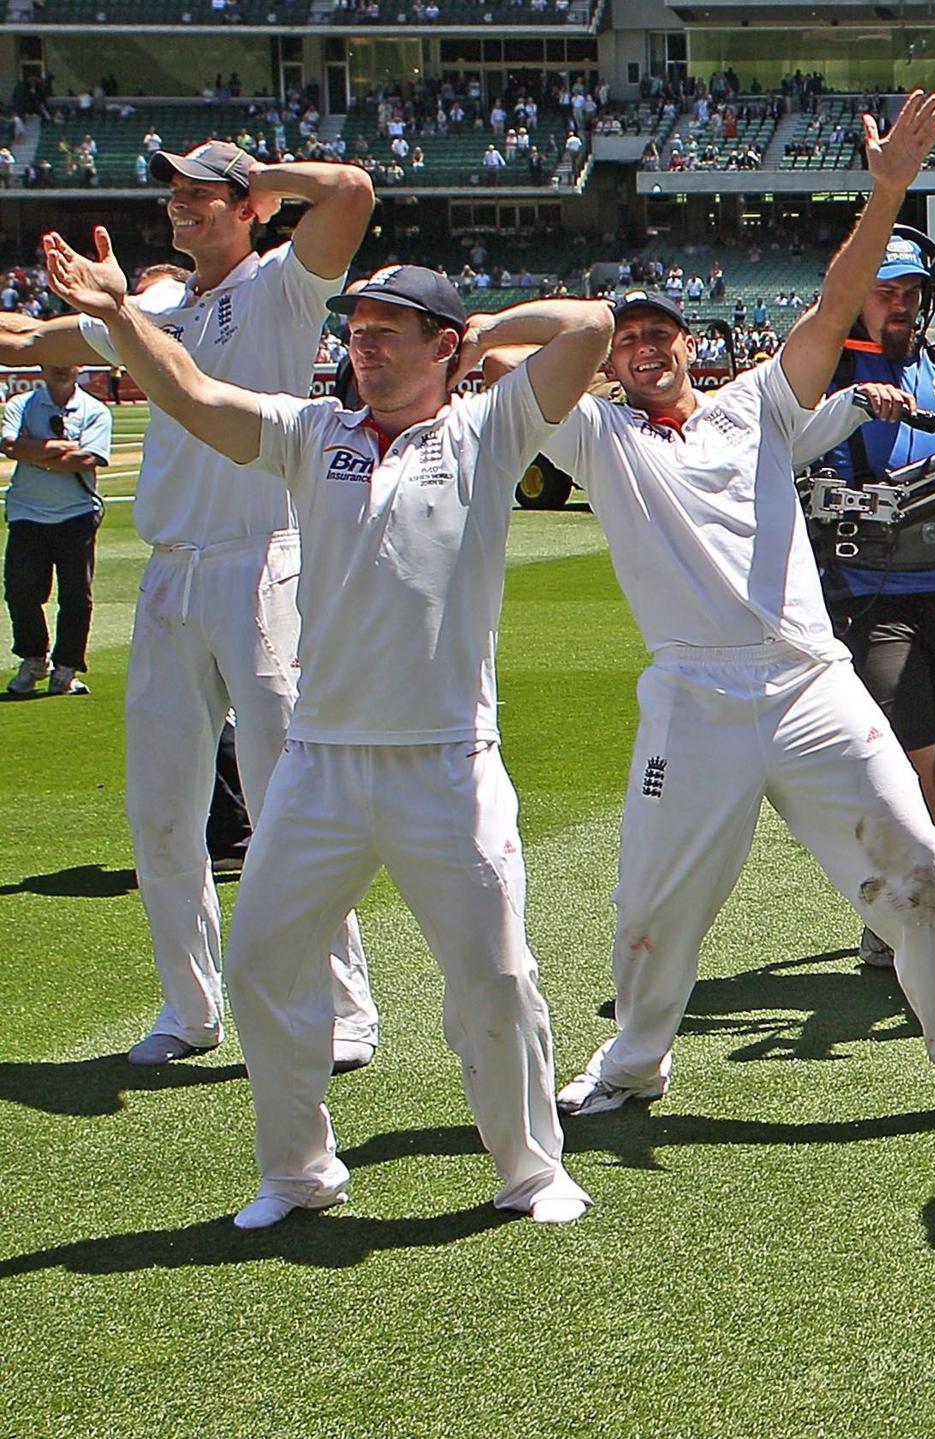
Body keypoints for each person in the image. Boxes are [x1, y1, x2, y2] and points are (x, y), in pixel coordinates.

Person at [45, 238, 614, 1230]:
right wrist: (125, 319)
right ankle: (298, 1170)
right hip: (318, 766)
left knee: (496, 976)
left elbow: (592, 327)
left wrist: (487, 333)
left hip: (446, 761)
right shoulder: (316, 432)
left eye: (389, 333)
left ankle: (528, 1167)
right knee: (264, 963)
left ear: (442, 347)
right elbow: (191, 395)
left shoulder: (489, 429)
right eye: (357, 332)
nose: (365, 348)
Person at [522, 92, 935, 1131]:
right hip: (691, 698)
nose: (646, 350)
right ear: (607, 359)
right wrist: (572, 323)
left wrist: (886, 190)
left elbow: (836, 300)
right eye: (627, 339)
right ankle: (633, 1062)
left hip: (807, 684)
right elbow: (506, 364)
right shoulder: (594, 439)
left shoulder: (753, 404)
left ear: (688, 346)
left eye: (661, 333)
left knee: (914, 867)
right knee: (653, 904)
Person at [0, 141, 380, 1070]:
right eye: (172, 192)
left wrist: (260, 182)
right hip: (170, 571)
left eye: (202, 193)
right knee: (161, 810)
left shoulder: (286, 284)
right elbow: (21, 344)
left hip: (263, 561)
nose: (181, 205)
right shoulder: (154, 306)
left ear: (247, 205)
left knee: (290, 797)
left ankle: (342, 1008)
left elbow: (351, 191)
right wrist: (109, 305)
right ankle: (191, 1006)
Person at [802, 220, 935, 980]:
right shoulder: (823, 371)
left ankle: (915, 903)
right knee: (905, 756)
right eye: (883, 292)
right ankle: (916, 919)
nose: (898, 306)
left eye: (909, 293)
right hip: (873, 591)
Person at [3, 362, 110, 696]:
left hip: (76, 513)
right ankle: (34, 659)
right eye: (53, 360)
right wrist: (58, 449)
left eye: (68, 359)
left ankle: (66, 668)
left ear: (79, 365)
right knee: (21, 592)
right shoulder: (22, 404)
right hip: (27, 512)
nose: (61, 366)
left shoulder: (95, 410)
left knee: (77, 596)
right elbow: (10, 446)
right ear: (43, 366)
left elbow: (87, 459)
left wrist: (34, 452)